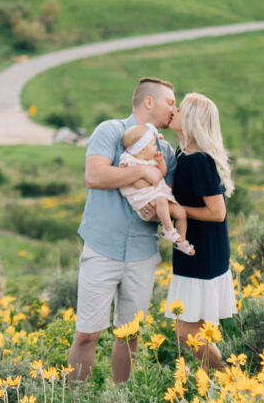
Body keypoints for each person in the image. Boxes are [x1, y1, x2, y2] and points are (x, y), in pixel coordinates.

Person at [68, 78, 177, 384]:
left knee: (129, 336)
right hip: (103, 248)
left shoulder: (166, 152)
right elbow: (95, 175)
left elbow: (169, 197)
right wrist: (142, 171)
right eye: (170, 102)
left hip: (143, 252)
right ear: (149, 102)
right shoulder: (110, 131)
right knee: (87, 334)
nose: (175, 108)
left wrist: (158, 211)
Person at [164, 92, 238, 371]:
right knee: (198, 330)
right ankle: (220, 388)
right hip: (194, 249)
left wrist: (178, 211)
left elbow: (217, 213)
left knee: (186, 332)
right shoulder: (183, 154)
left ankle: (237, 379)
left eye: (180, 109)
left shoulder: (198, 160)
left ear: (191, 119)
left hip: (202, 252)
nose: (174, 111)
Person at [118, 123, 192, 254]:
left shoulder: (150, 159)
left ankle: (181, 241)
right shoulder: (129, 162)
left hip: (158, 197)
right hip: (144, 201)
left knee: (181, 212)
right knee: (161, 201)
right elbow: (137, 184)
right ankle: (169, 231)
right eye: (153, 144)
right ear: (142, 149)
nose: (156, 147)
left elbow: (162, 173)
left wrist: (160, 162)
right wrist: (151, 179)